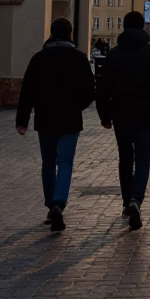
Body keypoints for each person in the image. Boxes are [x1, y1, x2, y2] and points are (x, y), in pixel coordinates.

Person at [15, 17, 95, 232]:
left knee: (48, 163)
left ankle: (51, 205)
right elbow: (90, 90)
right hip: (70, 119)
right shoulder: (79, 58)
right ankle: (60, 201)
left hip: (45, 118)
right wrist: (76, 105)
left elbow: (27, 90)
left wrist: (22, 120)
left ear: (51, 33)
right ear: (70, 34)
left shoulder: (39, 58)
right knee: (65, 162)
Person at [95, 10, 150, 229]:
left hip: (121, 114)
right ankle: (136, 199)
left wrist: (105, 115)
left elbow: (102, 88)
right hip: (146, 115)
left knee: (125, 158)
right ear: (142, 27)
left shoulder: (114, 54)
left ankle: (126, 201)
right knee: (143, 159)